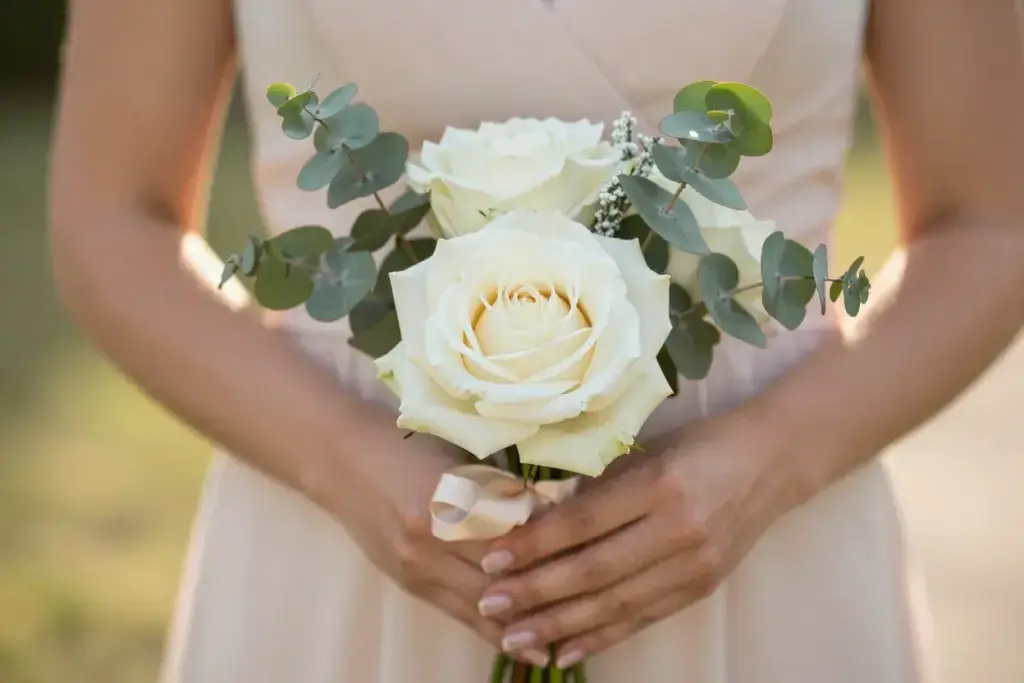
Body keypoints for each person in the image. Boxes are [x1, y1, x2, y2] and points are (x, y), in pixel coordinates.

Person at [48, 0, 1024, 681]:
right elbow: (111, 216)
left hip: (760, 543)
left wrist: (766, 464)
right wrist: (350, 468)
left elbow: (988, 222)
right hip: (345, 537)